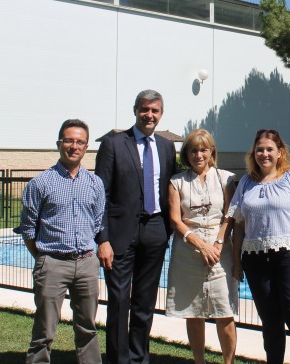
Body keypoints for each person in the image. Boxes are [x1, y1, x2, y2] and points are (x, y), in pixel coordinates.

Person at [225, 129, 290, 364]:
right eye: (260, 149)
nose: (264, 154)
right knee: (270, 322)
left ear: (280, 153)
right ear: (253, 153)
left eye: (270, 149)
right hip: (256, 260)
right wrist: (237, 262)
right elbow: (238, 225)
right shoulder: (246, 183)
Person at [95, 89, 177, 364]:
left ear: (161, 113)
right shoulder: (114, 144)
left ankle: (139, 357)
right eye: (145, 109)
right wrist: (102, 238)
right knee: (119, 301)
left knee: (144, 301)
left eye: (154, 110)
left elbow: (170, 188)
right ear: (135, 111)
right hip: (120, 234)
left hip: (155, 229)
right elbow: (101, 195)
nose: (149, 115)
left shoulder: (167, 147)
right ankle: (119, 359)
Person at [14, 119, 105, 364]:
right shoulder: (40, 183)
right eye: (69, 140)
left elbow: (97, 224)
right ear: (59, 144)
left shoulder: (95, 184)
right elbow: (29, 229)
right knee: (45, 331)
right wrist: (44, 259)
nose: (74, 146)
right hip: (52, 263)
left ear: (86, 147)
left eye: (80, 142)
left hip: (87, 264)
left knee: (88, 328)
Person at [165, 129, 238, 364]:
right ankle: (199, 361)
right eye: (193, 150)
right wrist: (199, 244)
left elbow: (230, 215)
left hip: (220, 251)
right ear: (187, 153)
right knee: (194, 311)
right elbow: (176, 219)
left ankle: (228, 361)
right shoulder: (176, 182)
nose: (198, 155)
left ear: (211, 151)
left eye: (203, 150)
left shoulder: (225, 178)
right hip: (188, 251)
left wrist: (217, 242)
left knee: (224, 310)